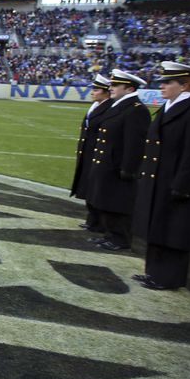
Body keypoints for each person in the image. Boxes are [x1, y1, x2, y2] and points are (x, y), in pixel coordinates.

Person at [131, 62, 190, 291]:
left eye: (168, 82)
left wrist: (181, 186)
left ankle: (169, 277)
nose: (162, 86)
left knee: (174, 231)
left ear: (185, 85)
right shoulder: (167, 108)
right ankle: (153, 272)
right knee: (157, 227)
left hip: (176, 182)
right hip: (158, 179)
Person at [85, 69, 151, 252]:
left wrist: (128, 169)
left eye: (115, 85)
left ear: (129, 89)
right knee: (107, 201)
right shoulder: (120, 106)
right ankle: (110, 234)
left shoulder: (136, 109)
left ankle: (120, 238)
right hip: (109, 164)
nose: (111, 88)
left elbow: (134, 143)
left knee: (118, 203)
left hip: (118, 166)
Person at [70, 73, 112, 233]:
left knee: (95, 188)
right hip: (88, 152)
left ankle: (98, 222)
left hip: (96, 152)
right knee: (88, 185)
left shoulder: (109, 107)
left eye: (96, 89)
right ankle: (92, 220)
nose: (92, 92)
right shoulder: (95, 105)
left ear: (106, 92)